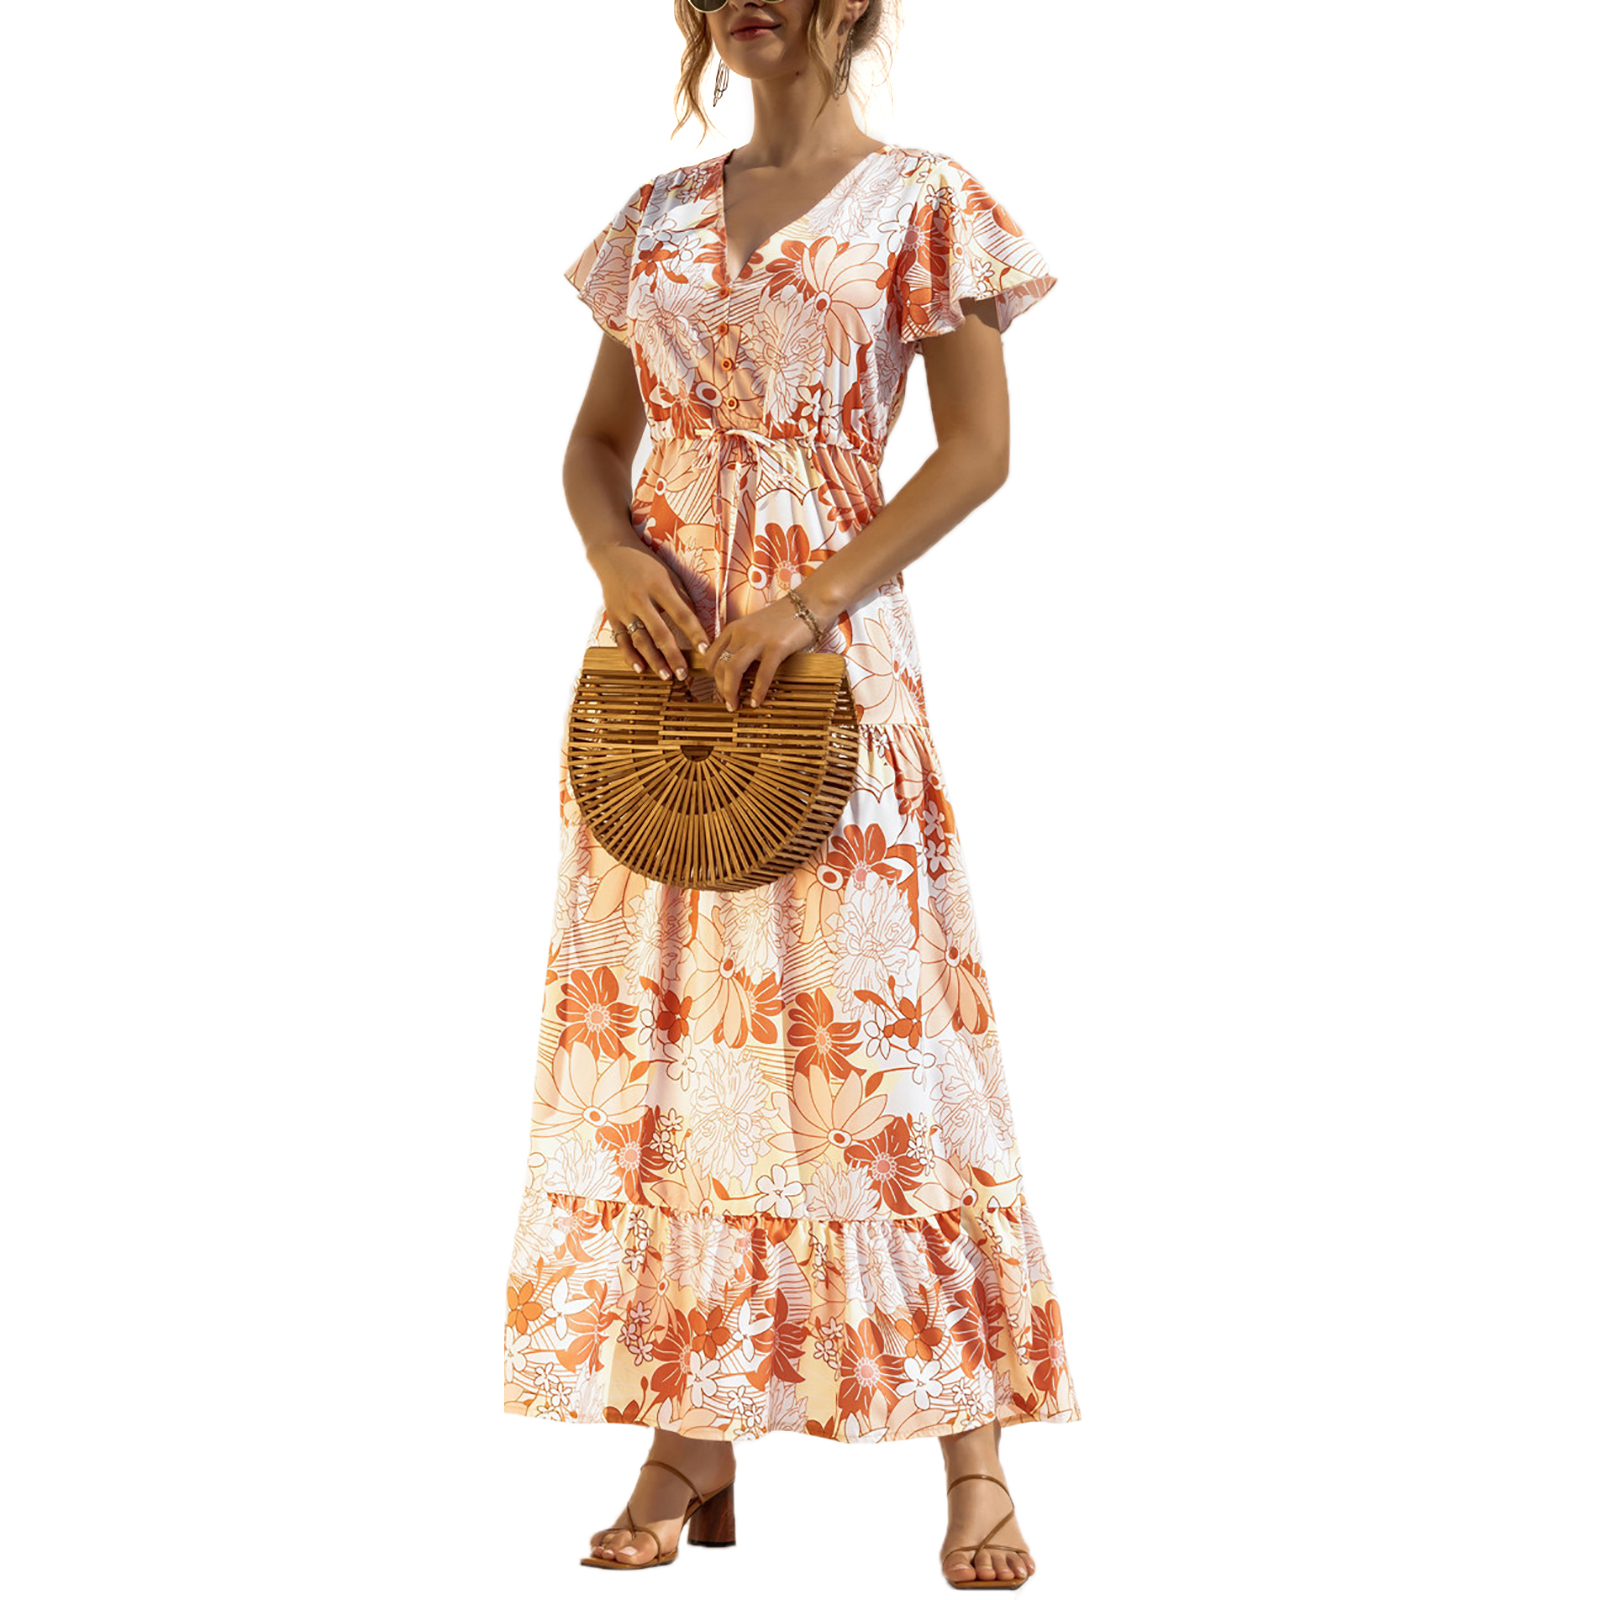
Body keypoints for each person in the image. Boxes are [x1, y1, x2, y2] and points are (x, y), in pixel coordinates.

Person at [503, 1, 1081, 1587]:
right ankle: (688, 1437)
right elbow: (595, 440)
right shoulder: (656, 214)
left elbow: (976, 452)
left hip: (824, 652)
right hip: (666, 671)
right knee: (676, 1036)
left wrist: (811, 599)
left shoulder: (929, 201)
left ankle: (974, 1454)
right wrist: (613, 553)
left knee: (876, 1040)